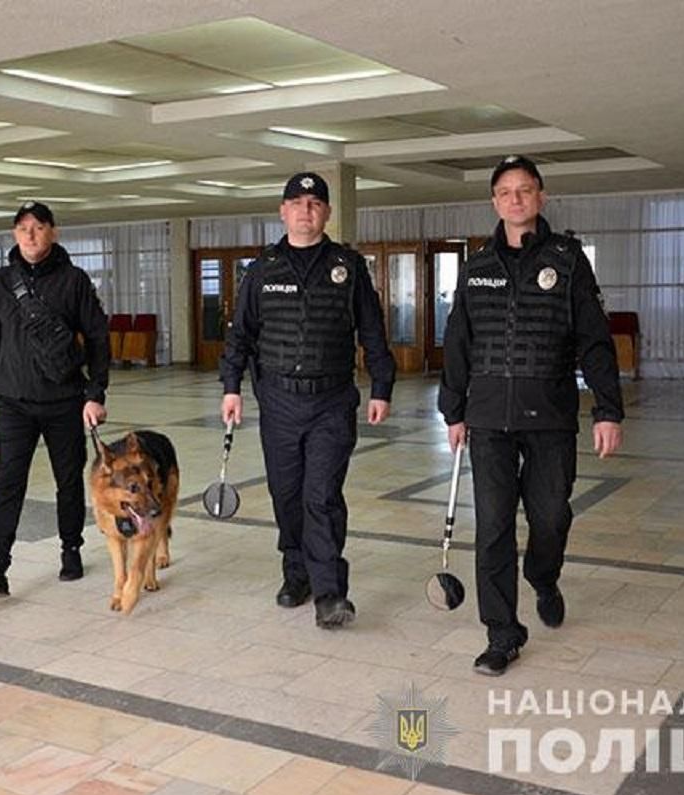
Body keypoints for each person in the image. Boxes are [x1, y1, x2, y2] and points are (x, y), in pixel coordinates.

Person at [438, 155, 623, 675]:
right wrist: (452, 409)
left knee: (550, 516)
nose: (515, 198)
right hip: (489, 419)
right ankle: (502, 633)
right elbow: (458, 342)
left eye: (525, 190)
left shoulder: (567, 260)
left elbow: (594, 340)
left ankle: (543, 575)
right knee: (494, 525)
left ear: (541, 197)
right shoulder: (476, 267)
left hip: (551, 416)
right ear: (494, 202)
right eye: (505, 191)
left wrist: (608, 409)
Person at [220, 172, 396, 629]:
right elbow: (241, 334)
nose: (305, 210)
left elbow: (372, 331)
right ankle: (295, 574)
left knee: (321, 496)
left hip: (332, 402)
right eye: (296, 203)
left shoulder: (348, 267)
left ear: (327, 213)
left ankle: (329, 593)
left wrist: (381, 385)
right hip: (277, 400)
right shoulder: (262, 269)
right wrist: (231, 387)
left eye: (315, 203)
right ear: (282, 211)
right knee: (287, 496)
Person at [0, 201, 109, 597]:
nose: (30, 234)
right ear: (14, 234)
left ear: (53, 232)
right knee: (8, 483)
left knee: (68, 481)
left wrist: (95, 394)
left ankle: (71, 549)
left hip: (65, 401)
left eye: (39, 227)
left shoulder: (74, 281)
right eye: (23, 227)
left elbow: (98, 339)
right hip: (13, 402)